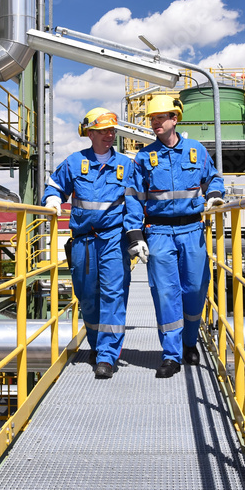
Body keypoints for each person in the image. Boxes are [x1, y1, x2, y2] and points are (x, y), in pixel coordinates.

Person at [127, 95, 225, 378]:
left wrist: (214, 194)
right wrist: (135, 235)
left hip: (192, 230)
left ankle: (189, 342)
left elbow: (213, 178)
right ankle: (171, 355)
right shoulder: (144, 157)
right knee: (166, 292)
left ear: (175, 119)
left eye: (161, 117)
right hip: (158, 232)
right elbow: (133, 197)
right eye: (152, 119)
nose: (155, 123)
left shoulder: (196, 151)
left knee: (195, 288)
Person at [42, 107, 140, 380]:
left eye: (112, 131)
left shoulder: (126, 166)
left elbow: (134, 202)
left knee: (113, 294)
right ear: (90, 133)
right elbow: (54, 186)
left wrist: (134, 235)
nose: (109, 135)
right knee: (87, 296)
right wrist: (52, 199)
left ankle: (108, 355)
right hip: (84, 242)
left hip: (113, 239)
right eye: (103, 131)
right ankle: (97, 345)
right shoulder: (75, 162)